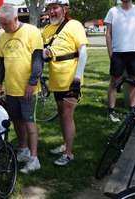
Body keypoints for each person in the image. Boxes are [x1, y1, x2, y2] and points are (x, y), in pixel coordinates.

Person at [0, 3, 43, 174]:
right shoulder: (2, 37)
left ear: (15, 18)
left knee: (29, 123)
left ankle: (34, 158)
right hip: (11, 88)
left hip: (27, 88)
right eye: (1, 23)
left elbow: (38, 60)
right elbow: (1, 62)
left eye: (5, 24)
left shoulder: (32, 32)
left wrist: (32, 82)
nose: (3, 27)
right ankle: (23, 150)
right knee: (16, 120)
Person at [42, 0, 88, 166]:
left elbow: (83, 51)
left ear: (64, 8)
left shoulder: (74, 25)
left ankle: (69, 154)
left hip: (71, 79)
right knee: (61, 114)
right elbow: (43, 52)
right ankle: (65, 144)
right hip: (56, 80)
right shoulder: (47, 29)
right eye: (49, 9)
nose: (51, 12)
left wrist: (78, 77)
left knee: (67, 115)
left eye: (55, 8)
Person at [105, 0, 135, 122]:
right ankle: (111, 111)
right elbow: (108, 34)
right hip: (117, 52)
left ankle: (132, 110)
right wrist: (110, 52)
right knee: (114, 81)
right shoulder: (112, 11)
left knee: (134, 82)